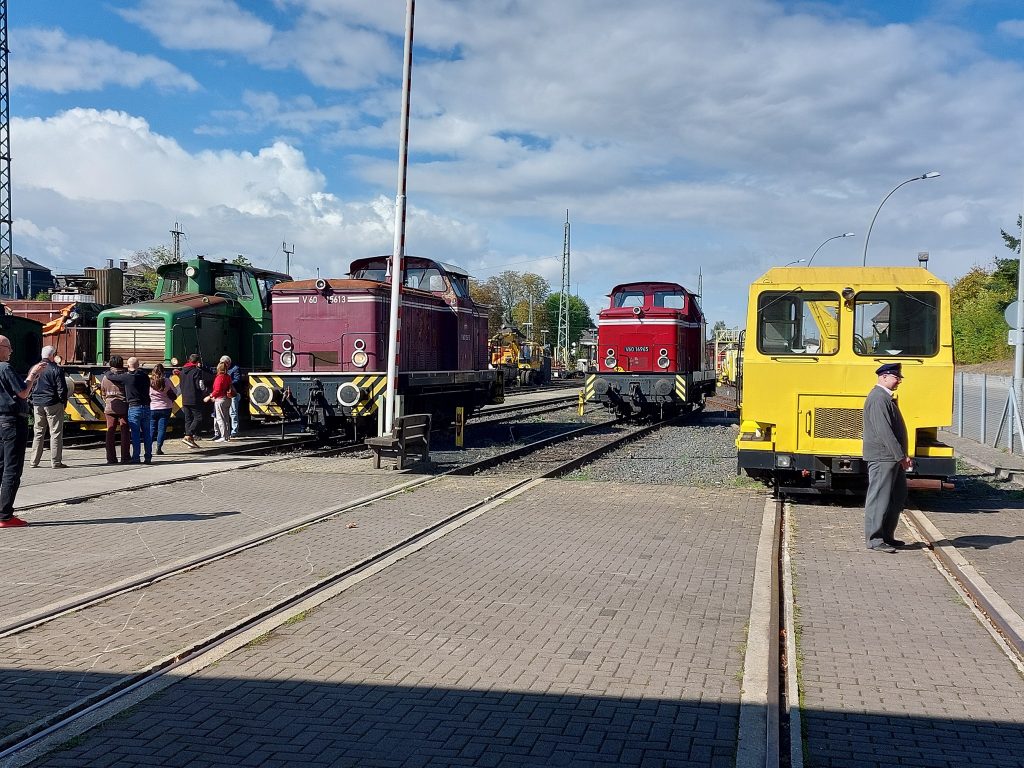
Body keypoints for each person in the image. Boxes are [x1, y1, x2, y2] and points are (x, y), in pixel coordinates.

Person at [863, 362, 912, 554]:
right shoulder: (878, 399)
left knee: (896, 497)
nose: (899, 380)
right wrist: (900, 456)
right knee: (879, 498)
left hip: (891, 458)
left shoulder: (885, 398)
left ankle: (886, 535)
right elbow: (884, 432)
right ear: (884, 377)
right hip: (883, 457)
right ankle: (874, 539)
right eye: (895, 377)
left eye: (899, 377)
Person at [0, 335, 42, 527]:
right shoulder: (5, 368)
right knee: (12, 468)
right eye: (9, 347)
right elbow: (23, 393)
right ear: (1, 348)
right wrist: (32, 375)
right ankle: (5, 515)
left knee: (1, 466)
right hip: (12, 420)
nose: (11, 351)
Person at [28, 345, 69, 469]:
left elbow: (29, 384)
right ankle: (56, 462)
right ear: (52, 356)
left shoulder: (34, 368)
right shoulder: (56, 369)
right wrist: (63, 402)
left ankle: (33, 461)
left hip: (37, 404)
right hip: (53, 403)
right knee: (55, 432)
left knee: (38, 432)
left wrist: (32, 400)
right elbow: (62, 389)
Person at [106, 357, 153, 464]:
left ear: (127, 366)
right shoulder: (145, 376)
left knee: (135, 434)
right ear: (139, 365)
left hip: (134, 408)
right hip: (146, 407)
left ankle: (136, 458)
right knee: (147, 434)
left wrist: (108, 370)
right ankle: (148, 457)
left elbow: (110, 376)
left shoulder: (127, 377)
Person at [100, 356, 131, 465]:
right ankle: (125, 457)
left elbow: (102, 392)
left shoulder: (105, 378)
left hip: (110, 407)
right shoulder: (126, 376)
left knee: (110, 432)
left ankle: (111, 458)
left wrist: (107, 401)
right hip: (124, 407)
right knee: (125, 432)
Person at [178, 353, 207, 449]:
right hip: (194, 398)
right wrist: (204, 390)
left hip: (185, 397)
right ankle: (188, 435)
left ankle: (190, 441)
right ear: (197, 362)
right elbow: (200, 385)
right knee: (199, 417)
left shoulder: (182, 371)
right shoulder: (197, 371)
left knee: (188, 419)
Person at [149, 363, 177, 455]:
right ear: (163, 372)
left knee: (151, 429)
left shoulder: (150, 382)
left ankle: (148, 448)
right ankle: (159, 448)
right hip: (165, 408)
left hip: (152, 408)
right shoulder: (167, 381)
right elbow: (175, 391)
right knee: (162, 429)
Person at [206, 360, 235, 443]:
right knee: (226, 418)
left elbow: (217, 390)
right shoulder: (228, 376)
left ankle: (223, 436)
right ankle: (227, 436)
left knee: (220, 419)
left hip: (220, 399)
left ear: (218, 368)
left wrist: (210, 396)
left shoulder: (219, 378)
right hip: (227, 399)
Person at [221, 355, 242, 438]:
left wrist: (228, 383)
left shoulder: (235, 368)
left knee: (233, 412)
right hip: (225, 393)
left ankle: (234, 431)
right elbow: (213, 371)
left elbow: (237, 379)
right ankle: (226, 431)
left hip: (233, 393)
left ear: (228, 363)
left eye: (224, 363)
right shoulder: (222, 368)